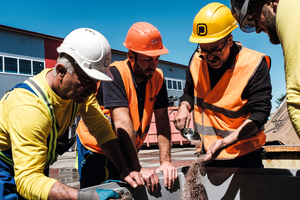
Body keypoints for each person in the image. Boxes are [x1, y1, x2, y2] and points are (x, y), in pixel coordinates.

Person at [0, 28, 144, 200]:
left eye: (96, 81)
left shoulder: (79, 94)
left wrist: (124, 169)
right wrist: (83, 196)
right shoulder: (30, 107)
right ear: (61, 71)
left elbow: (101, 129)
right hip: (6, 169)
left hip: (31, 167)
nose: (93, 89)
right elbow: (28, 179)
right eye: (86, 79)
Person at [76, 22, 178, 192]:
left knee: (126, 190)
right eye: (147, 59)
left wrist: (165, 161)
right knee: (97, 193)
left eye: (157, 58)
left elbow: (162, 121)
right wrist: (136, 167)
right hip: (96, 150)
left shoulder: (157, 77)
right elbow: (122, 122)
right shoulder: (115, 74)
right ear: (131, 56)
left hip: (126, 148)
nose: (154, 65)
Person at [173, 3, 272, 168]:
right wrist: (183, 107)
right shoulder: (197, 60)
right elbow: (188, 93)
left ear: (230, 40)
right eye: (204, 50)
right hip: (208, 154)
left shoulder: (254, 65)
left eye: (216, 50)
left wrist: (227, 142)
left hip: (245, 156)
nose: (209, 57)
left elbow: (259, 114)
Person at [230, 0, 300, 138]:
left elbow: (296, 95)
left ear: (272, 1)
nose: (257, 29)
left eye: (255, 17)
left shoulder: (290, 13)